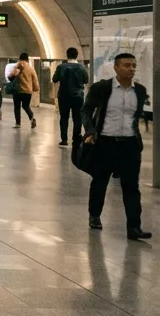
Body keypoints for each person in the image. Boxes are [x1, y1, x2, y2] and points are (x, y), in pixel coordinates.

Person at [82, 52, 151, 239]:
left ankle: (134, 227)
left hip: (129, 143)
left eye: (133, 66)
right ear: (116, 67)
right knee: (100, 180)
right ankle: (94, 215)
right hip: (105, 141)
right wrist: (90, 131)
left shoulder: (140, 91)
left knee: (131, 186)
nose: (131, 69)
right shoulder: (102, 88)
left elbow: (136, 117)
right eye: (127, 65)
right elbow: (86, 109)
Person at [53, 47, 89, 146]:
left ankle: (64, 139)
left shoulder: (61, 67)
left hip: (63, 96)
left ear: (67, 55)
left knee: (64, 117)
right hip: (78, 96)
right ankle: (76, 138)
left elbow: (54, 79)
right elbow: (86, 80)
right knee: (77, 118)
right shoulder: (82, 68)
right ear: (77, 55)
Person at [9, 52, 38, 129]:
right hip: (28, 91)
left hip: (18, 90)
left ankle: (18, 123)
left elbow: (12, 75)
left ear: (20, 58)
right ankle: (32, 118)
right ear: (27, 59)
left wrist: (11, 76)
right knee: (26, 106)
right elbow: (35, 79)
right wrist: (35, 88)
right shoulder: (31, 68)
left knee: (17, 107)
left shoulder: (18, 66)